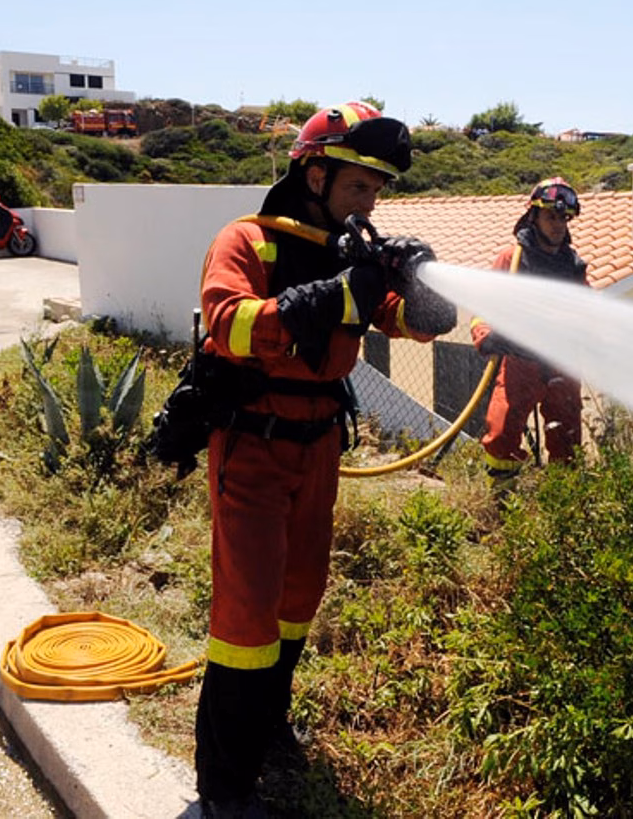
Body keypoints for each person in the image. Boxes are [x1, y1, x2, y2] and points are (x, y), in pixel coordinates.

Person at [193, 101, 456, 817]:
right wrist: (337, 295)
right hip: (251, 442)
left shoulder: (353, 254)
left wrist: (422, 290)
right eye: (358, 185)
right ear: (313, 172)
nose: (368, 201)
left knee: (298, 595)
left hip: (319, 449)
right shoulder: (247, 240)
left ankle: (267, 725)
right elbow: (229, 325)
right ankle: (224, 787)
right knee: (247, 610)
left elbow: (407, 321)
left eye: (377, 191)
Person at [470, 177, 588, 484]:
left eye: (563, 217)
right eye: (551, 216)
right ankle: (502, 500)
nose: (558, 224)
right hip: (520, 361)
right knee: (502, 430)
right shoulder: (512, 259)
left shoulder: (573, 266)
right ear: (532, 217)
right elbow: (483, 308)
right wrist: (488, 336)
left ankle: (563, 502)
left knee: (567, 436)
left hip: (562, 360)